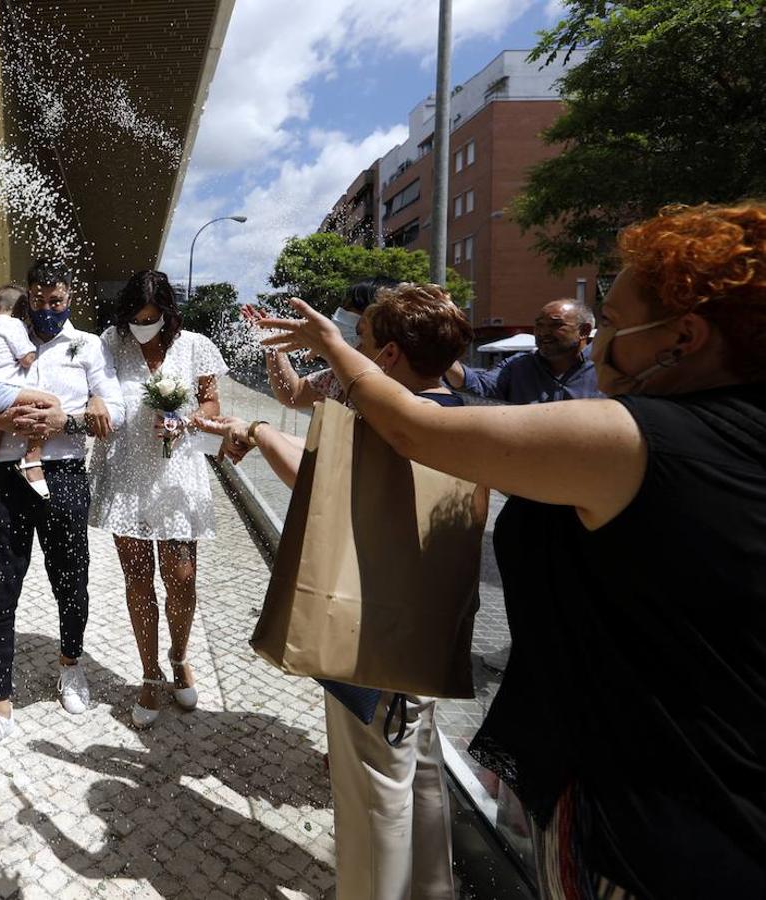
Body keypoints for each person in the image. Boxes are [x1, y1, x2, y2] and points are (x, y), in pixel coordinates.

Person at [257, 203, 766, 899]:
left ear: (683, 336)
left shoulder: (646, 439)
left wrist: (330, 345)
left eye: (610, 323)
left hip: (659, 819)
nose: (595, 346)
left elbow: (413, 430)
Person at [200, 283, 479, 900]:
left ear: (389, 357)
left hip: (372, 637)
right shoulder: (459, 414)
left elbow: (319, 485)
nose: (353, 352)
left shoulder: (389, 426)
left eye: (362, 343)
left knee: (374, 794)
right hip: (430, 633)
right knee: (421, 783)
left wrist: (257, 432)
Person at [0, 260, 123, 766]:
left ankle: (71, 664)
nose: (47, 309)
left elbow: (113, 412)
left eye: (56, 301)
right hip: (8, 480)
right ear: (27, 296)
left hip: (65, 475)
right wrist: (0, 416)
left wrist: (65, 417)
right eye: (38, 300)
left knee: (71, 579)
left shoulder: (88, 346)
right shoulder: (4, 340)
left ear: (69, 297)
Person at [88, 270, 225, 728]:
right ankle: (150, 674)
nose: (142, 325)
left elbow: (211, 405)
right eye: (135, 317)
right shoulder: (111, 342)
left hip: (177, 475)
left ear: (167, 313)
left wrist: (184, 422)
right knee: (138, 580)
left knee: (182, 577)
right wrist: (94, 403)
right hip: (127, 473)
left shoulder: (194, 345)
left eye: (151, 317)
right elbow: (92, 383)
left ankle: (179, 655)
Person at [0, 283, 66, 539]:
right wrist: (29, 343)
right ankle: (31, 458)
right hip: (1, 393)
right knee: (50, 403)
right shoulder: (13, 325)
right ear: (21, 312)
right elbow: (27, 358)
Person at [262, 277, 402, 409]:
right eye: (343, 309)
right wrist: (272, 342)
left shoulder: (397, 393)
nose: (340, 318)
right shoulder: (336, 377)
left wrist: (258, 430)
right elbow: (294, 394)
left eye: (353, 313)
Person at [445, 299, 601, 403]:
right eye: (539, 325)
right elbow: (479, 387)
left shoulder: (607, 367)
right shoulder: (518, 367)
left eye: (555, 325)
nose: (543, 332)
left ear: (584, 331)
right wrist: (441, 354)